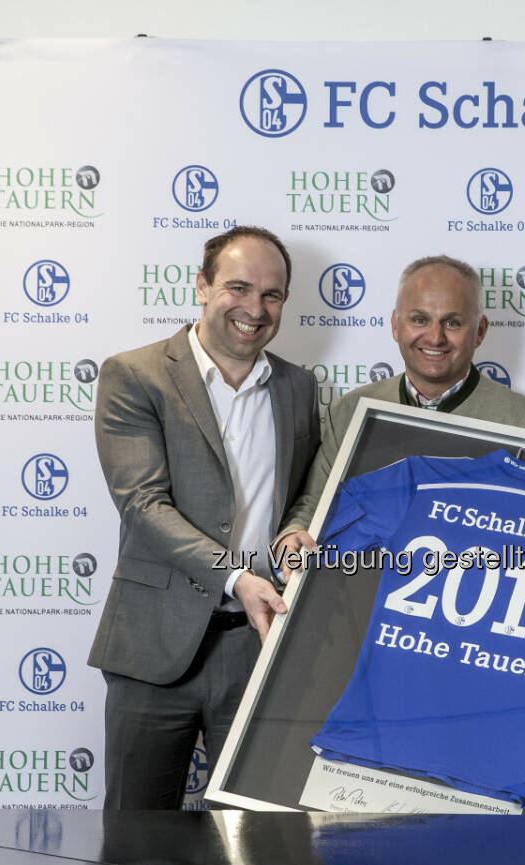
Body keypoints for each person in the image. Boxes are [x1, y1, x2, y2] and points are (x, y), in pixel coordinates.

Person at [90, 226, 319, 809]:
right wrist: (240, 576)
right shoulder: (135, 374)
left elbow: (298, 491)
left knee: (254, 846)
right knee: (136, 841)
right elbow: (143, 505)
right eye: (238, 287)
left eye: (272, 295)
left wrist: (295, 529)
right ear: (202, 286)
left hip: (256, 645)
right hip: (153, 643)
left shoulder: (297, 385)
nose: (255, 308)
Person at [273, 255, 525, 563]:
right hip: (358, 598)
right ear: (396, 325)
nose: (435, 337)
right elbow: (315, 502)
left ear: (480, 331)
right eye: (419, 319)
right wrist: (294, 533)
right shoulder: (349, 410)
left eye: (453, 322)